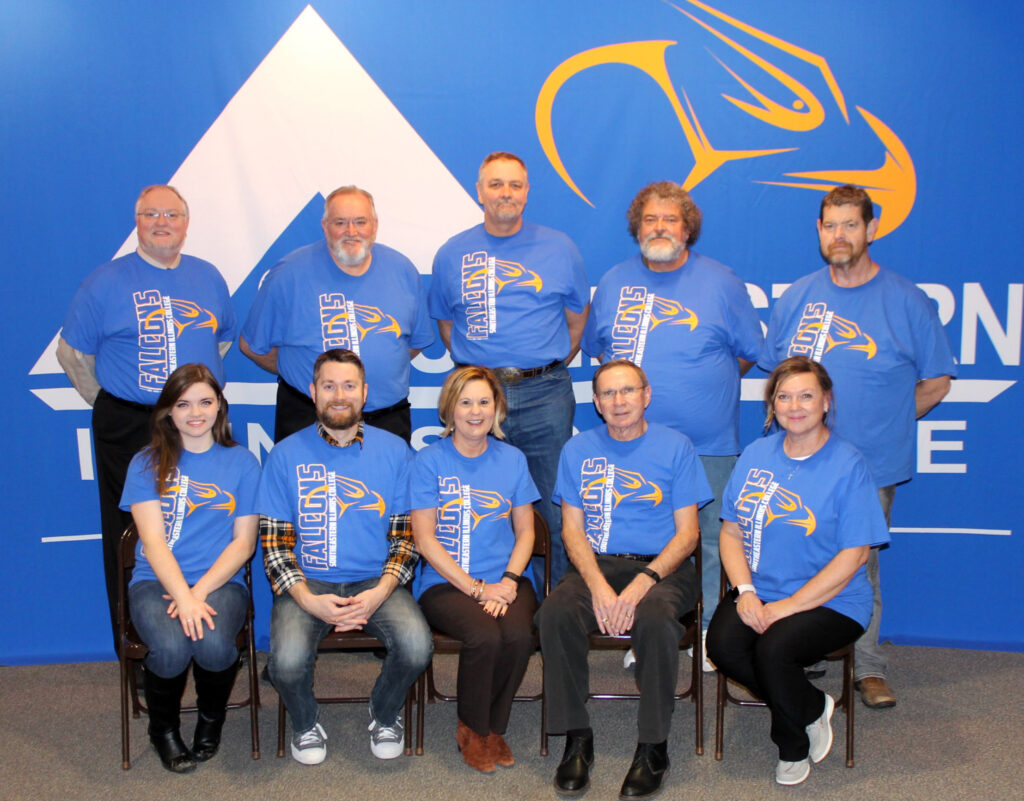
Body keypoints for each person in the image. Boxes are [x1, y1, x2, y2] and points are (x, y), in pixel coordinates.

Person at [760, 184, 956, 708]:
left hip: (871, 464)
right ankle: (802, 650)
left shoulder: (906, 300)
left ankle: (867, 666)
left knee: (859, 563)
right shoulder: (797, 297)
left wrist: (890, 424)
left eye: (850, 224)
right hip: (797, 461)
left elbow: (937, 381)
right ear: (819, 231)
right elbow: (777, 376)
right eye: (830, 225)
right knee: (794, 550)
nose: (839, 235)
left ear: (872, 228)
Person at [582, 181, 763, 665]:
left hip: (709, 443)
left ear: (688, 229)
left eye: (670, 219)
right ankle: (648, 632)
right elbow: (601, 354)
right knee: (644, 544)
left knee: (713, 541)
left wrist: (702, 384)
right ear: (636, 228)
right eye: (650, 219)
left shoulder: (722, 282)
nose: (659, 228)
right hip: (633, 447)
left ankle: (709, 635)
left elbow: (749, 353)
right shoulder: (614, 282)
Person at [58, 185, 236, 650]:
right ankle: (138, 646)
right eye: (151, 214)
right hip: (130, 424)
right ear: (136, 221)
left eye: (172, 214)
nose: (162, 223)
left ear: (186, 223)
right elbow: (72, 354)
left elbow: (219, 342)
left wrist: (189, 402)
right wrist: (118, 401)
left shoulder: (208, 277)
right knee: (130, 534)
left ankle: (212, 636)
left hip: (197, 423)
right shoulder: (105, 281)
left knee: (208, 521)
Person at [707, 356, 890, 786]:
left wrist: (786, 607)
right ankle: (810, 706)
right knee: (722, 646)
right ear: (772, 404)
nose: (794, 406)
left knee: (773, 650)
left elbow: (854, 556)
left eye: (806, 395)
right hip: (760, 590)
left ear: (826, 401)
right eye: (784, 397)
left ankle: (791, 745)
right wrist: (746, 591)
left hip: (834, 600)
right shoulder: (756, 454)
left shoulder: (848, 465)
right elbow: (730, 532)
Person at [536, 360, 711, 800]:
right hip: (597, 564)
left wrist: (642, 582)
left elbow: (688, 535)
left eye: (628, 391)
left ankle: (653, 746)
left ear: (646, 395)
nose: (619, 401)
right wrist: (598, 585)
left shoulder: (676, 447)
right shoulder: (578, 450)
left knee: (654, 619)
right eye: (608, 393)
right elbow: (571, 531)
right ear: (596, 403)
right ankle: (577, 736)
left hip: (664, 568)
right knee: (555, 613)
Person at [257, 349, 432, 765]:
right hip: (308, 583)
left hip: (376, 581)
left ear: (364, 393)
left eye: (349, 386)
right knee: (285, 663)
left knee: (417, 647)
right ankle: (305, 722)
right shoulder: (284, 454)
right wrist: (309, 601)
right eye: (329, 386)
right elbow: (275, 546)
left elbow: (406, 539)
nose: (339, 395)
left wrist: (378, 594)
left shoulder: (396, 452)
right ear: (313, 391)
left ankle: (384, 713)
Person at [430, 151, 590, 587]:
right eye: (496, 184)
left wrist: (542, 365)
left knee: (555, 505)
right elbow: (447, 324)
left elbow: (577, 318)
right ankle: (487, 596)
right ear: (479, 191)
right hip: (478, 398)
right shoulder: (452, 254)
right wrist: (482, 379)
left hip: (545, 393)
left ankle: (556, 606)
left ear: (527, 192)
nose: (506, 193)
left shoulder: (560, 248)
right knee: (480, 505)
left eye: (515, 185)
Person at [120, 363, 259, 773]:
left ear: (219, 407)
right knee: (172, 648)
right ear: (168, 411)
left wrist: (198, 595)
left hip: (220, 583)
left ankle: (210, 721)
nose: (195, 413)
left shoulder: (243, 463)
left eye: (205, 402)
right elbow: (153, 543)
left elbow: (244, 543)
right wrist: (183, 597)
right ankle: (162, 729)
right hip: (156, 581)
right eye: (183, 404)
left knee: (214, 646)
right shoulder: (146, 463)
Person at [409, 366, 539, 773]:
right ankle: (471, 728)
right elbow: (424, 539)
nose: (476, 411)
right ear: (450, 408)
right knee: (484, 635)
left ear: (496, 408)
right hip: (446, 582)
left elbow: (526, 532)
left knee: (518, 635)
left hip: (507, 578)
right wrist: (477, 589)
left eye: (484, 401)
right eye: (465, 402)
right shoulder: (428, 461)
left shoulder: (512, 459)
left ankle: (493, 728)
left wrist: (509, 582)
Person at [240, 185, 434, 444]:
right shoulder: (289, 274)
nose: (351, 231)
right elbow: (252, 346)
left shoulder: (402, 271)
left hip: (385, 420)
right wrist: (310, 375)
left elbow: (414, 343)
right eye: (340, 222)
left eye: (360, 222)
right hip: (308, 419)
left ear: (375, 225)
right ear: (324, 226)